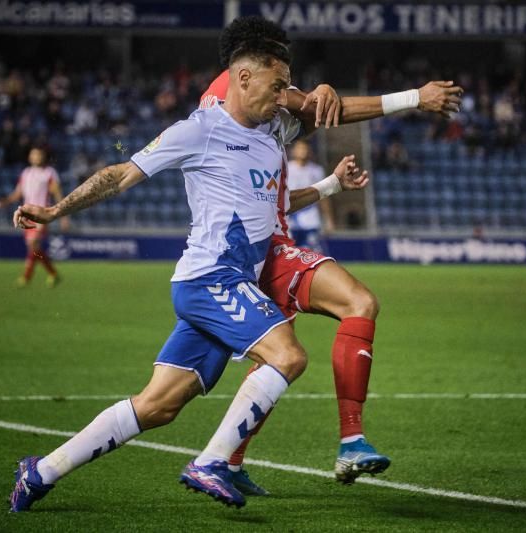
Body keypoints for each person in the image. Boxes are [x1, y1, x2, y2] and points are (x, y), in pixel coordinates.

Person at [9, 38, 369, 511]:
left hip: (226, 285)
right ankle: (213, 462)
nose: (283, 96)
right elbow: (120, 174)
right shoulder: (198, 130)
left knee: (158, 405)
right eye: (276, 85)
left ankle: (42, 470)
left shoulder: (268, 141)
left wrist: (326, 185)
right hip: (211, 279)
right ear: (243, 78)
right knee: (288, 355)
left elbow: (279, 203)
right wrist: (56, 210)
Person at [198, 16, 462, 493]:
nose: (284, 82)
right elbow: (322, 111)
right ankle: (351, 439)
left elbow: (277, 195)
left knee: (274, 362)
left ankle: (229, 461)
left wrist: (328, 186)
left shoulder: (253, 129)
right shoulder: (244, 100)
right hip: (264, 251)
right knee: (358, 303)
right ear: (250, 65)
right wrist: (415, 98)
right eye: (278, 72)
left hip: (255, 247)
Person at [0, 146, 68, 288]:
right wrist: (5, 201)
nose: (36, 157)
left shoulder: (49, 173)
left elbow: (57, 194)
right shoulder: (26, 173)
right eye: (33, 154)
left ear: (43, 157)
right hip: (26, 214)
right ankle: (53, 273)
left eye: (38, 155)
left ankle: (26, 277)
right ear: (29, 157)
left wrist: (63, 216)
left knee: (33, 245)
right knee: (34, 249)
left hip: (42, 214)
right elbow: (18, 193)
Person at [286, 139, 334, 250]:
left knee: (313, 253)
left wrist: (328, 219)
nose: (303, 151)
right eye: (300, 148)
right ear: (294, 151)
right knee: (290, 253)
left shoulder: (316, 170)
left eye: (305, 148)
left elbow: (323, 195)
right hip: (290, 220)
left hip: (311, 219)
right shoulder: (286, 168)